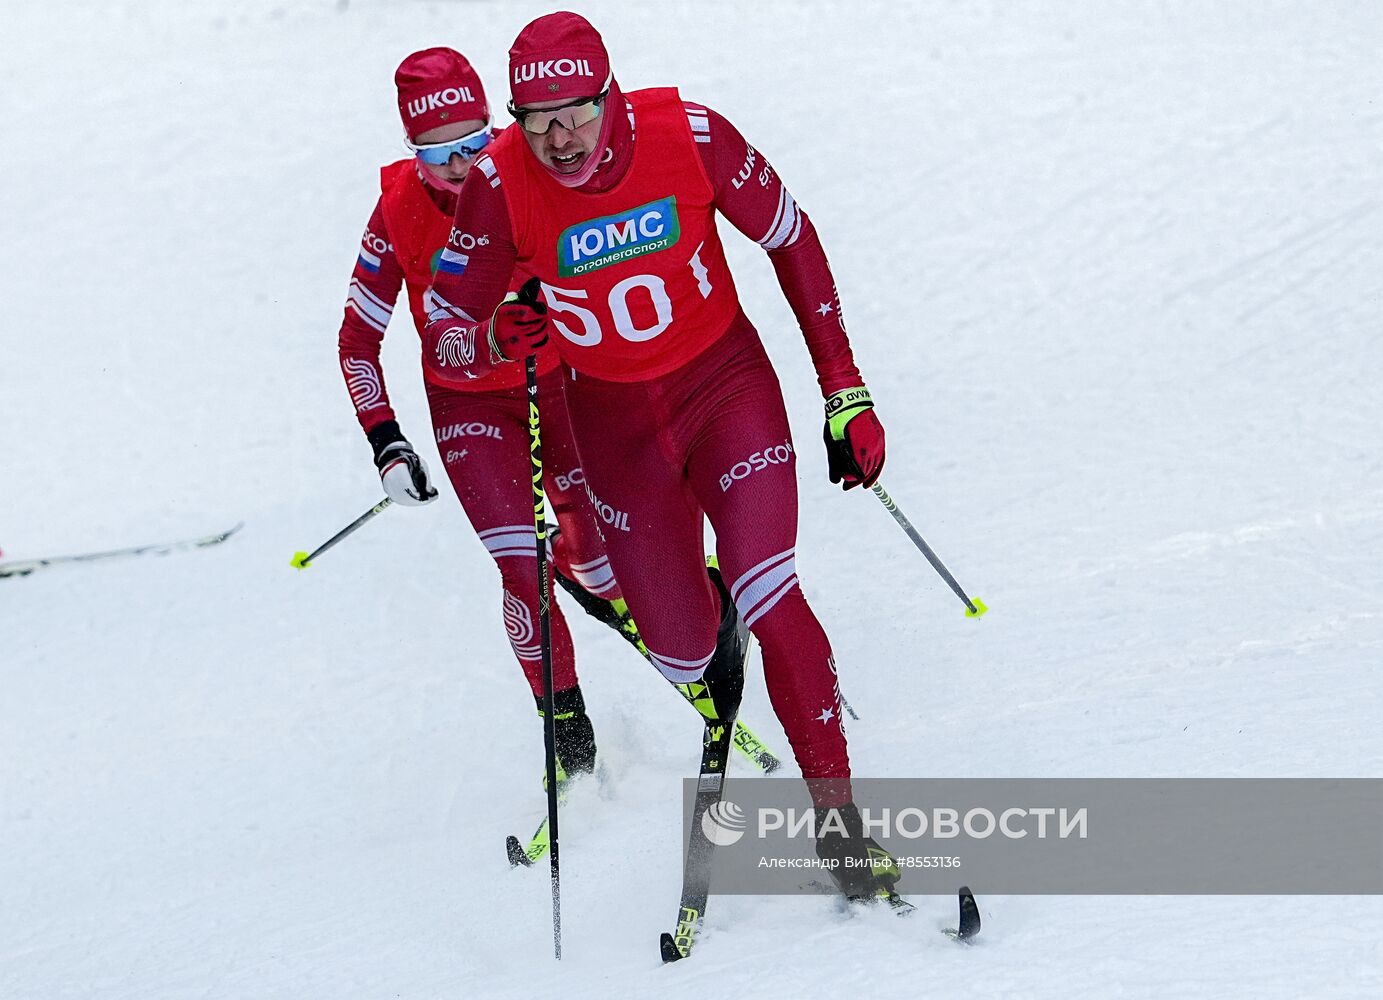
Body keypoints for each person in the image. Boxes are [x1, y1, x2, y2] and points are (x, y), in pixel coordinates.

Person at [422, 14, 896, 898]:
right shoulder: (495, 181)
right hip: (613, 426)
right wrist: (495, 333)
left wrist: (844, 388)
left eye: (579, 114)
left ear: (610, 93)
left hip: (725, 389)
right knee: (683, 651)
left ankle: (842, 828)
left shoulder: (691, 133)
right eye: (538, 119)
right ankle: (713, 622)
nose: (562, 140)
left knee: (771, 588)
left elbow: (790, 236)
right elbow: (445, 334)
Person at [336, 46, 629, 778]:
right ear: (411, 151)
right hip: (470, 405)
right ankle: (567, 733)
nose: (461, 165)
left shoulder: (536, 171)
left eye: (474, 143)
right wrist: (387, 442)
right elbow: (355, 341)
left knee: (598, 560)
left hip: (567, 385)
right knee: (519, 567)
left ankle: (682, 602)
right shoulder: (397, 210)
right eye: (436, 153)